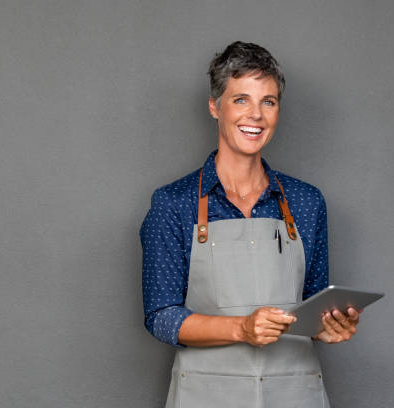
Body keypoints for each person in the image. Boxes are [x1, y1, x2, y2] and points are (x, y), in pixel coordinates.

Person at [140, 41, 360, 408]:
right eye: (241, 99)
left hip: (295, 392)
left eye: (268, 101)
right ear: (215, 106)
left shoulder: (306, 202)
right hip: (208, 395)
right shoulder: (173, 203)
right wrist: (241, 329)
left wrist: (330, 325)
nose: (256, 114)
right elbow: (162, 316)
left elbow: (313, 304)